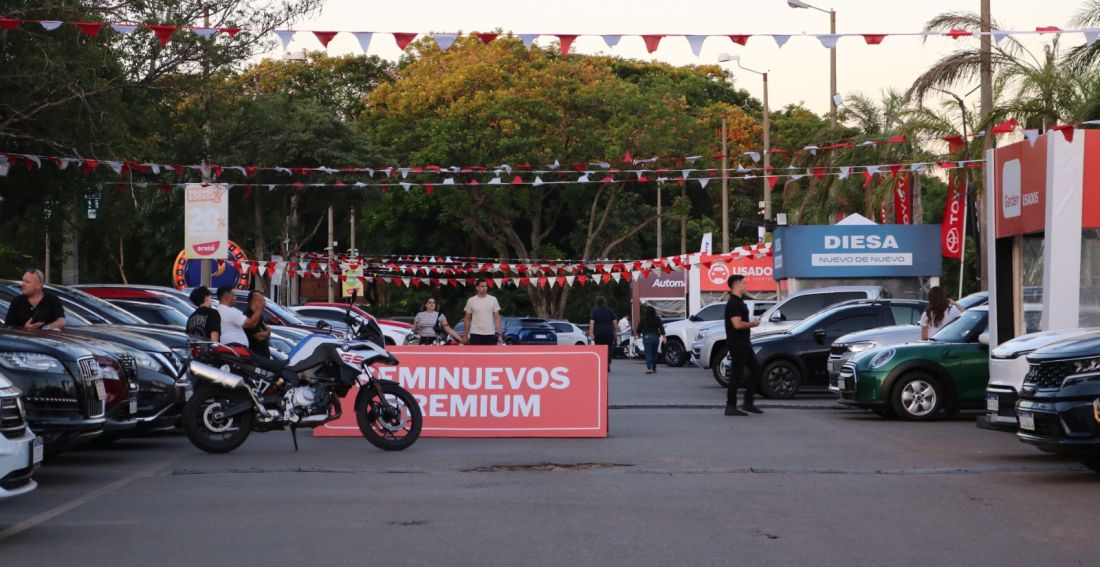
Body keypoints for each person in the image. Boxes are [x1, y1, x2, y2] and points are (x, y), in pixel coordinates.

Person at [724, 275, 763, 416]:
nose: (745, 286)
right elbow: (737, 324)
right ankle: (730, 406)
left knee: (756, 370)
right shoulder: (733, 303)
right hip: (737, 344)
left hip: (744, 343)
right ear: (736, 284)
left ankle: (748, 403)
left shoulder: (739, 302)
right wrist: (753, 323)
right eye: (743, 283)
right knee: (736, 374)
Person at [463, 279, 503, 345]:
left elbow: (497, 318)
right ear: (477, 288)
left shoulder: (493, 299)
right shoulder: (471, 300)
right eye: (482, 286)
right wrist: (465, 335)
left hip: (490, 333)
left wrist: (500, 334)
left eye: (486, 286)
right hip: (475, 333)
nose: (484, 288)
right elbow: (467, 318)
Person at [635, 305, 665, 374]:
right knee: (654, 353)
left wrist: (638, 334)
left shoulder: (643, 319)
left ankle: (649, 368)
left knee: (648, 353)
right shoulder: (657, 319)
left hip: (646, 337)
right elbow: (661, 328)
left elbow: (638, 329)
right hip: (655, 337)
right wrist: (664, 336)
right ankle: (654, 368)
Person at [589, 296, 616, 372]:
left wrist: (591, 333)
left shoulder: (594, 311)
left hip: (598, 333)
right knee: (609, 349)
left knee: (599, 349)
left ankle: (601, 364)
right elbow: (614, 322)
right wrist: (615, 332)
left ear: (597, 303)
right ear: (604, 302)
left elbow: (592, 322)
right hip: (609, 333)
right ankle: (608, 364)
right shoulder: (610, 310)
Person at [242, 290, 272, 357]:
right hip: (256, 354)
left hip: (263, 354)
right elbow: (258, 336)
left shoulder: (258, 315)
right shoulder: (249, 315)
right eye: (262, 300)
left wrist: (267, 331)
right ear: (255, 300)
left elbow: (264, 329)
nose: (264, 303)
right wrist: (268, 331)